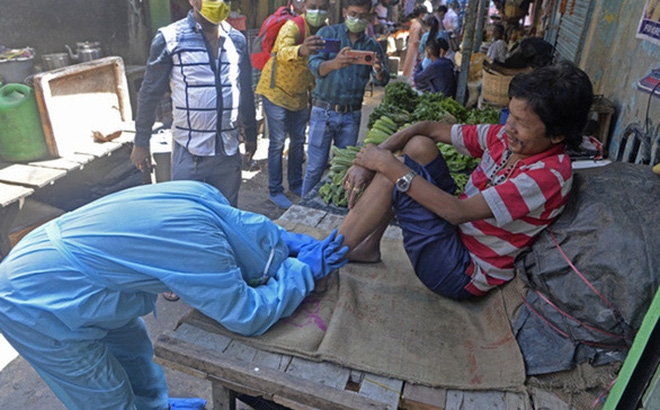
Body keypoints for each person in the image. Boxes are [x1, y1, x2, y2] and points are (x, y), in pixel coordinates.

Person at [0, 180, 349, 410]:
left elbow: (246, 228)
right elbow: (247, 315)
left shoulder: (208, 197)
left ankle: (156, 407)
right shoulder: (203, 247)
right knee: (104, 395)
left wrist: (280, 238)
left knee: (134, 349)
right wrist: (301, 271)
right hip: (33, 299)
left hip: (70, 266)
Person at [337, 61, 593, 300]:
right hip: (456, 234)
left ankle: (327, 255)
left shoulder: (547, 176)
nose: (508, 127)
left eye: (522, 123)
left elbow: (455, 212)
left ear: (557, 135)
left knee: (394, 175)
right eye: (510, 116)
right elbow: (427, 127)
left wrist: (384, 163)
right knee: (418, 146)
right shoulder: (507, 140)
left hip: (461, 270)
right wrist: (368, 160)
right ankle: (368, 246)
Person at [130, 0, 257, 209]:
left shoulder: (237, 40)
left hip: (227, 152)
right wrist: (141, 141)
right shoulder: (170, 38)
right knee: (187, 216)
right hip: (190, 154)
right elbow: (150, 93)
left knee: (226, 215)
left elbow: (244, 91)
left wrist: (251, 134)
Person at [301, 0, 390, 196]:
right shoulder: (328, 35)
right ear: (344, 13)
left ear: (369, 16)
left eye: (362, 16)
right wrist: (335, 63)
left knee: (344, 169)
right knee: (315, 167)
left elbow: (383, 80)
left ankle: (334, 209)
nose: (357, 19)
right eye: (353, 14)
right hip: (323, 110)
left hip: (352, 114)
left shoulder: (372, 45)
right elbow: (314, 66)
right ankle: (303, 207)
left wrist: (379, 70)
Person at [256, 0, 330, 209]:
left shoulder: (326, 31)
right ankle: (275, 190)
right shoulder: (293, 26)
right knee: (278, 142)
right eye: (313, 6)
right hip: (276, 91)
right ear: (304, 6)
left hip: (299, 94)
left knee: (298, 141)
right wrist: (301, 49)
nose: (318, 11)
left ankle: (296, 184)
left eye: (322, 7)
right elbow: (281, 52)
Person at [401, 5, 428, 78]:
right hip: (415, 49)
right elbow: (416, 40)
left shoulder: (415, 23)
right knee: (413, 69)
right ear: (421, 14)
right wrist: (423, 46)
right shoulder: (418, 25)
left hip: (412, 48)